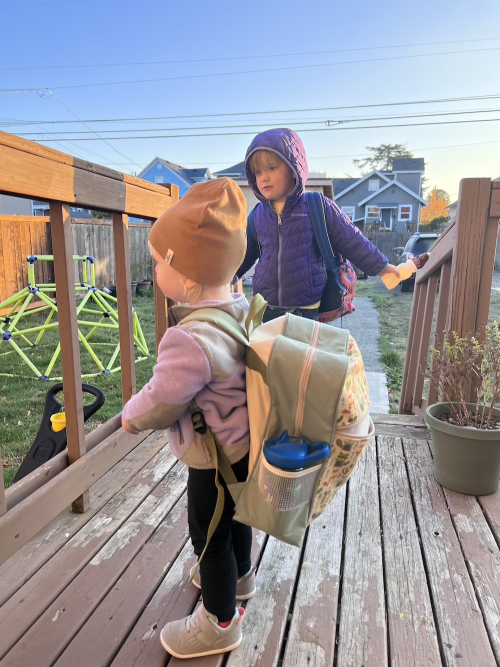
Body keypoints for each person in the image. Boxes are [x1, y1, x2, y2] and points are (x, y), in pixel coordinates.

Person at [121, 178, 255, 660]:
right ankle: (241, 577)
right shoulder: (238, 310)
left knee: (208, 533)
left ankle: (219, 623)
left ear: (188, 277)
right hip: (244, 447)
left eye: (159, 262)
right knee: (238, 515)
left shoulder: (189, 338)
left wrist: (130, 417)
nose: (154, 268)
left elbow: (162, 399)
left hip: (212, 460)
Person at [236, 128, 400, 322]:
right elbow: (241, 255)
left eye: (272, 168)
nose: (264, 177)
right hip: (265, 307)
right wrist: (217, 281)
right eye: (258, 172)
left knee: (302, 353)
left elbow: (352, 240)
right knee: (266, 353)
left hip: (305, 309)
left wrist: (381, 266)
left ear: (293, 169)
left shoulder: (316, 206)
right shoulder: (257, 215)